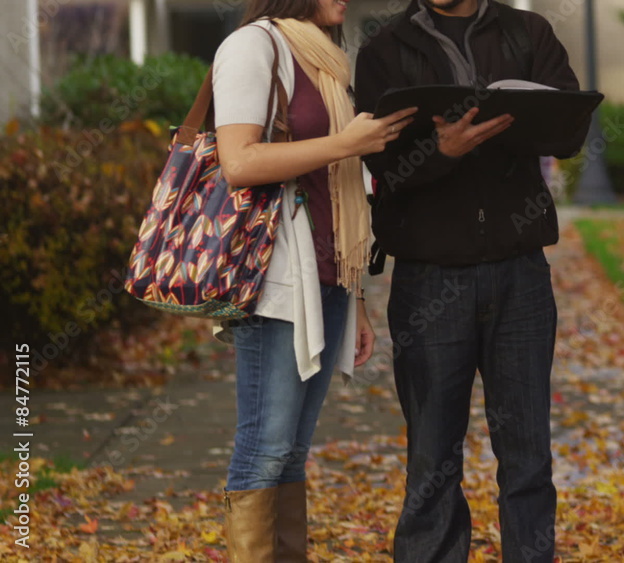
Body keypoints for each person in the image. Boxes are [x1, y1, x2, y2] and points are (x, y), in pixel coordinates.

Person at [355, 1, 588, 560]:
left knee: (528, 453)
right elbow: (380, 165)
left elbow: (569, 131)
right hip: (429, 281)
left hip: (521, 275)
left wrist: (509, 126)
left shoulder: (529, 32)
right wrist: (442, 152)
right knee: (432, 458)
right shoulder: (383, 48)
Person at [210, 0, 416, 559]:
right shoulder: (254, 47)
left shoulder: (326, 60)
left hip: (329, 277)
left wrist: (358, 299)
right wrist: (346, 143)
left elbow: (338, 192)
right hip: (275, 277)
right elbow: (239, 162)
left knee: (294, 451)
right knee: (265, 447)